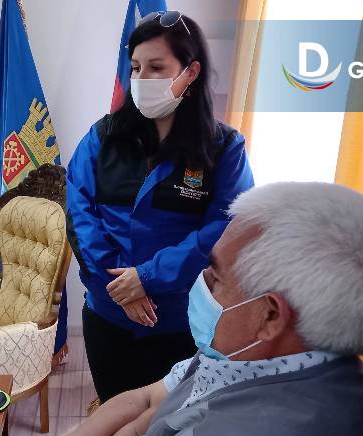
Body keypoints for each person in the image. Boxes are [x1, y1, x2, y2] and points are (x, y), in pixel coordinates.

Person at [0, 182, 363, 436]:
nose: (201, 286)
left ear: (268, 315)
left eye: (214, 278)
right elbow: (147, 399)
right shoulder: (301, 364)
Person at [66, 11, 254, 402]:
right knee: (115, 423)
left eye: (156, 67)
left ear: (190, 71)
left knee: (171, 429)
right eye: (135, 68)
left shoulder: (223, 148)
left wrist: (148, 277)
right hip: (109, 314)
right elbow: (80, 213)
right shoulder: (104, 137)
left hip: (181, 321)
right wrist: (124, 289)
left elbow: (224, 228)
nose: (141, 79)